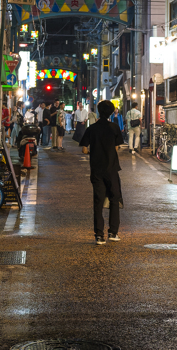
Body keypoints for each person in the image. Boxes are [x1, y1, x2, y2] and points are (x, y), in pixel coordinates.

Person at [80, 99, 123, 245]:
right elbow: (117, 147)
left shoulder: (91, 129)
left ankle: (99, 235)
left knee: (98, 201)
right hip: (111, 168)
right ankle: (113, 232)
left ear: (99, 111)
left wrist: (94, 152)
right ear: (111, 112)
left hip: (96, 169)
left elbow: (84, 149)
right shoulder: (114, 128)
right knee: (114, 199)